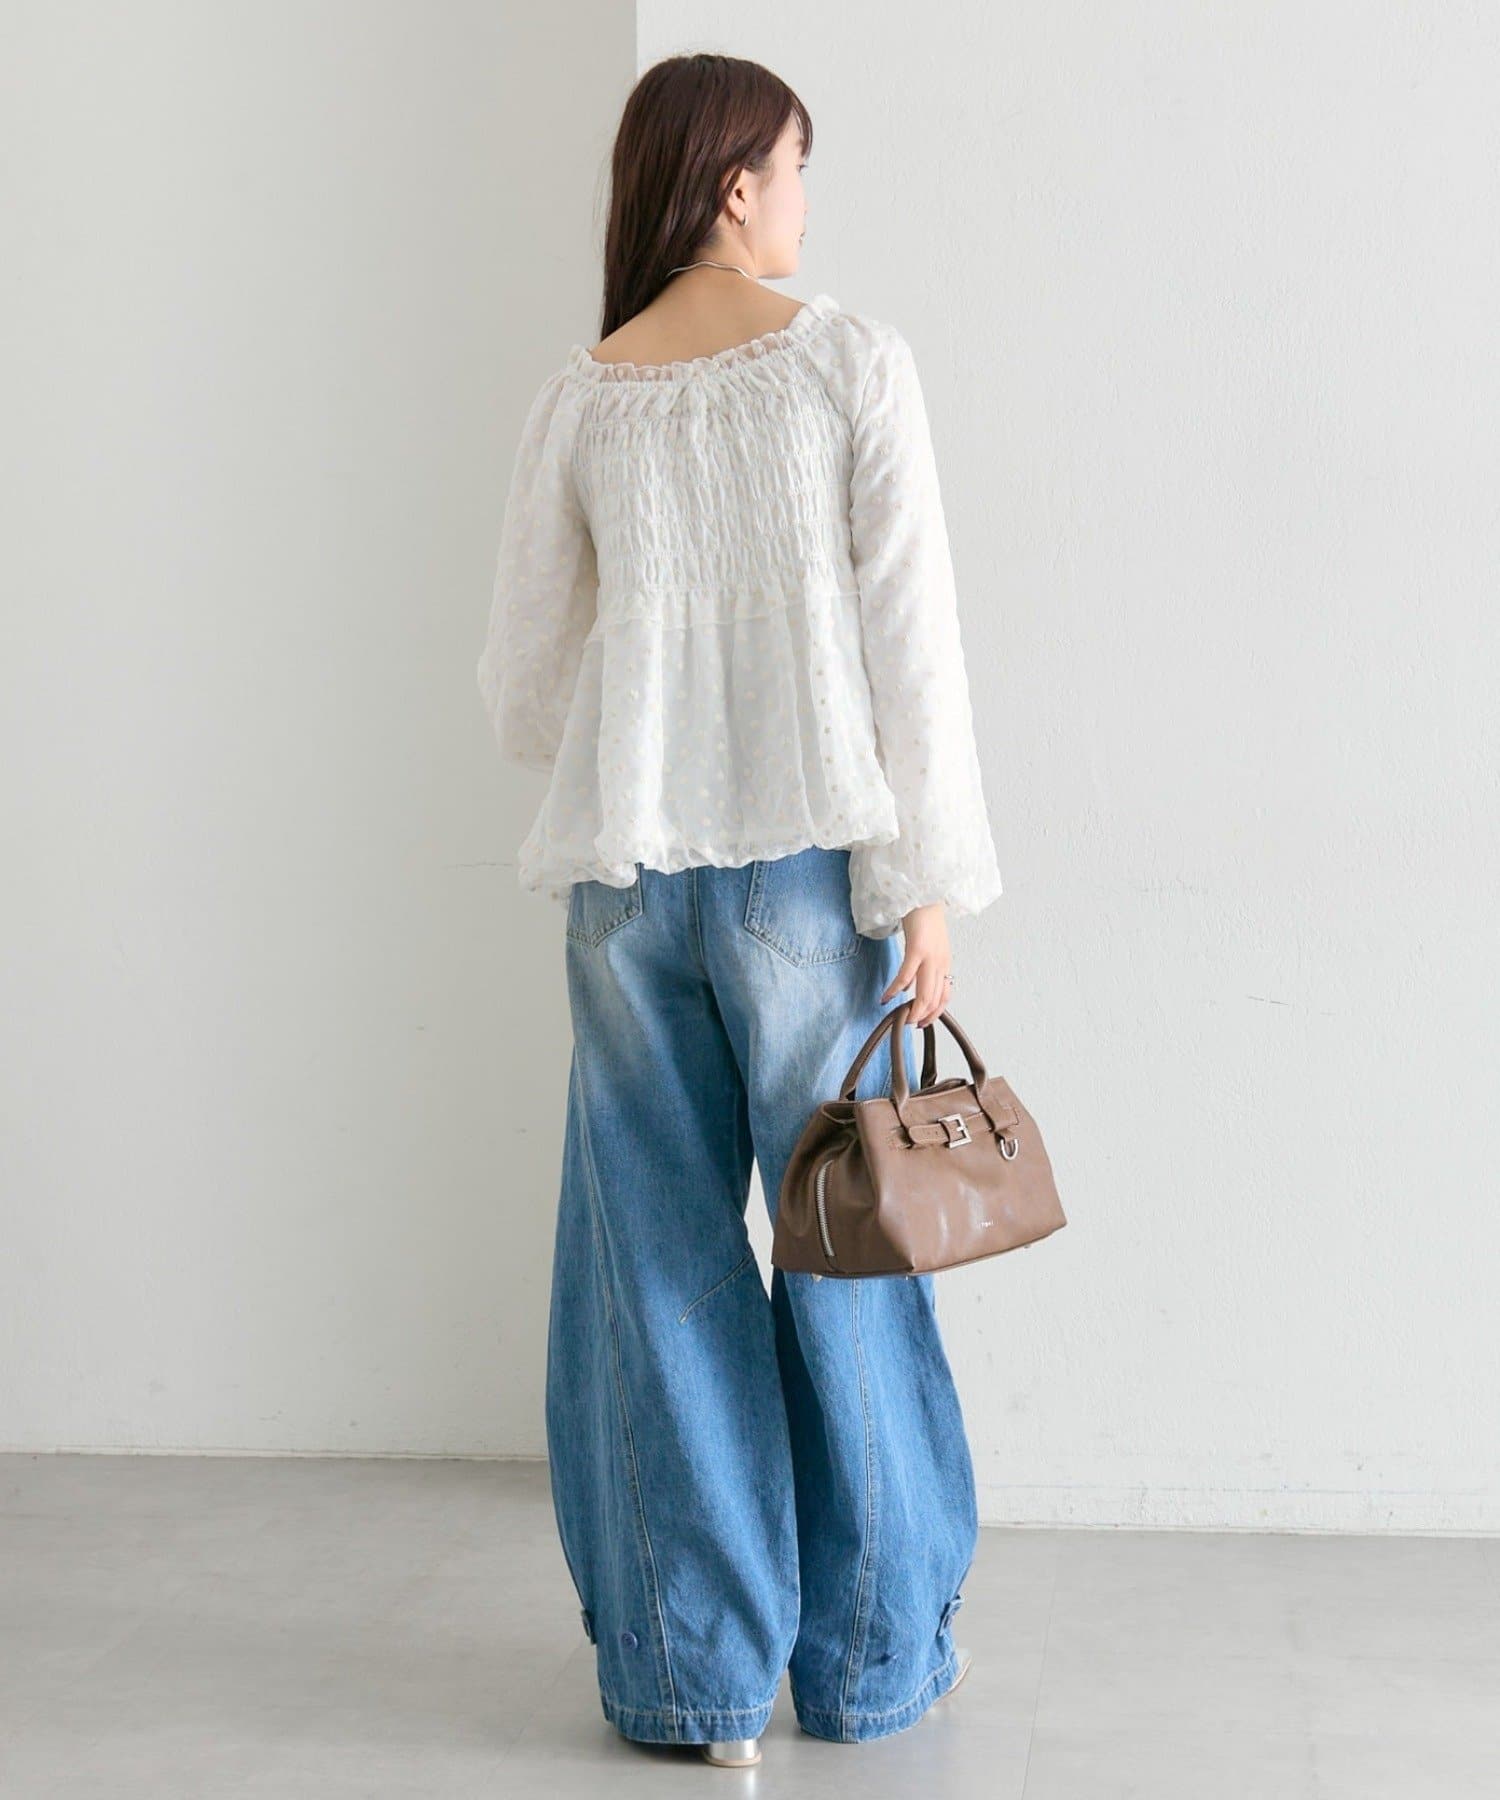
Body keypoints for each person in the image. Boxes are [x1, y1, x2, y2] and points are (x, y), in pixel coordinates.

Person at [476, 52, 1001, 1766]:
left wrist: (651, 716)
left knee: (655, 1272)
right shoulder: (848, 364)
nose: (804, 206)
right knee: (846, 1256)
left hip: (624, 887)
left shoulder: (584, 396)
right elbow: (914, 645)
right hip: (805, 880)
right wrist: (927, 886)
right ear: (733, 186)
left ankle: (695, 1687)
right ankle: (869, 1663)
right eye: (796, 170)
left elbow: (522, 691)